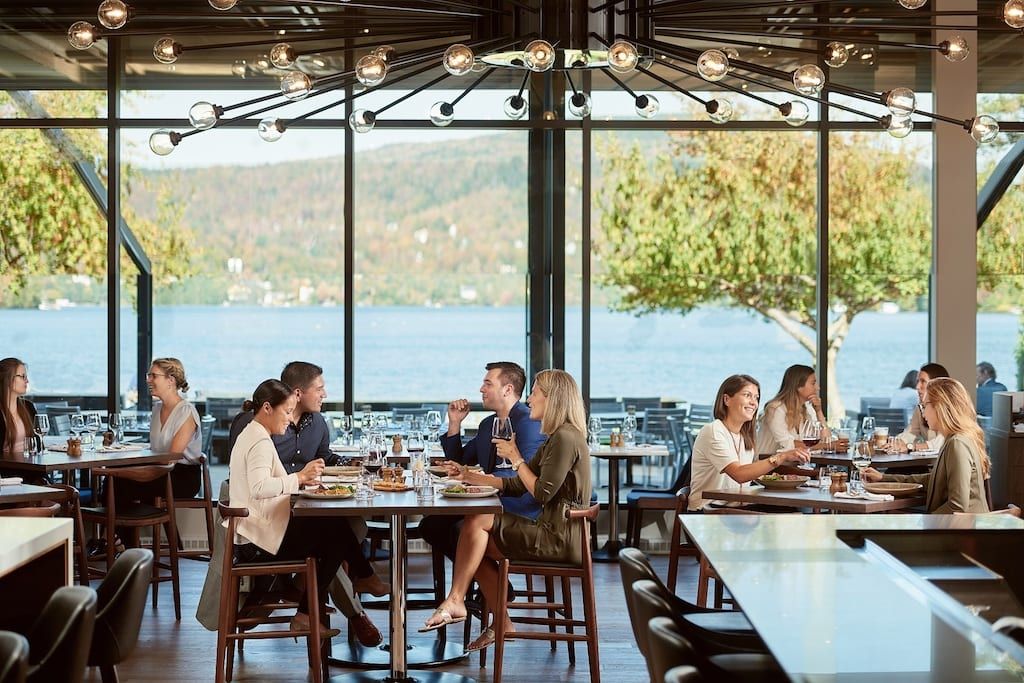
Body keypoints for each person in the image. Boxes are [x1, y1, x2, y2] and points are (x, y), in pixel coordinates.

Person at [420, 370, 590, 653]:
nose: (530, 398)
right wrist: (468, 475)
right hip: (550, 531)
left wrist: (516, 458)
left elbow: (541, 492)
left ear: (553, 399)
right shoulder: (555, 438)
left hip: (557, 537)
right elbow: (514, 484)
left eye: (535, 393)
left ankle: (456, 600)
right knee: (474, 546)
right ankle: (496, 618)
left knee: (477, 521)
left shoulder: (566, 438)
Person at [228, 361, 386, 646]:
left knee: (333, 528)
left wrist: (311, 477)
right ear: (268, 408)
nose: (289, 420)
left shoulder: (257, 432)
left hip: (265, 524)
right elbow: (260, 487)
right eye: (286, 412)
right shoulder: (257, 438)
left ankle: (327, 597)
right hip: (258, 538)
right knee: (335, 536)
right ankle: (356, 585)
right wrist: (299, 478)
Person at [419, 361, 546, 563]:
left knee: (458, 530)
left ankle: (490, 587)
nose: (481, 389)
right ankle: (492, 585)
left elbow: (524, 474)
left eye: (488, 384)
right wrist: (454, 423)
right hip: (487, 501)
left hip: (518, 506)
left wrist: (475, 479)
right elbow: (460, 461)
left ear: (508, 389)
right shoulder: (488, 424)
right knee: (431, 526)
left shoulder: (529, 422)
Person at [864, 377, 990, 513]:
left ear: (941, 406)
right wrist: (883, 478)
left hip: (964, 531)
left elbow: (957, 507)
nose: (922, 413)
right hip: (960, 527)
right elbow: (933, 480)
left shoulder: (957, 444)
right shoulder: (955, 439)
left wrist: (923, 524)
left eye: (924, 406)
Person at [689, 374, 810, 511]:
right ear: (727, 399)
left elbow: (749, 474)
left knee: (794, 511)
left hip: (737, 507)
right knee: (788, 516)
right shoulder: (713, 431)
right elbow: (740, 474)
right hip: (707, 511)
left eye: (756, 397)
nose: (754, 403)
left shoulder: (744, 436)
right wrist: (781, 456)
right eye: (747, 395)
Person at [755, 364, 829, 455]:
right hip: (769, 466)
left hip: (794, 466)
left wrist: (819, 412)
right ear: (798, 386)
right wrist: (826, 446)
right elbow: (787, 444)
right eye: (813, 383)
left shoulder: (807, 408)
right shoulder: (775, 409)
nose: (818, 388)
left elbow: (826, 440)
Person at [892, 362, 949, 452]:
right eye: (918, 381)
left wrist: (910, 447)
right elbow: (911, 432)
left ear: (936, 384)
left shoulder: (949, 408)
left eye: (923, 381)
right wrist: (893, 443)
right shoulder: (920, 407)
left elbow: (941, 442)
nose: (917, 386)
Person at [0, 357, 36, 455]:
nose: (27, 381)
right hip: (7, 468)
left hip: (32, 467)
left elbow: (38, 444)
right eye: (23, 376)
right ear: (8, 378)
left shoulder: (28, 407)